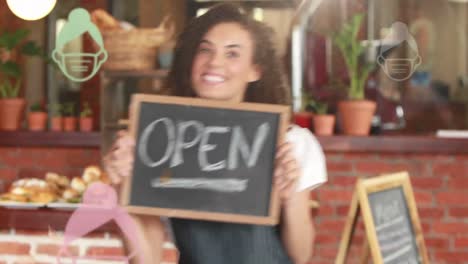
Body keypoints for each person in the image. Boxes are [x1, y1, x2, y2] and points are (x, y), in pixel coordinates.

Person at [104, 4, 327, 264]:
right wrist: (122, 189)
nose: (214, 62)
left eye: (232, 54)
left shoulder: (290, 143)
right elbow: (146, 259)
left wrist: (288, 197)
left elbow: (301, 256)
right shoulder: (160, 143)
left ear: (255, 70)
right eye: (205, 50)